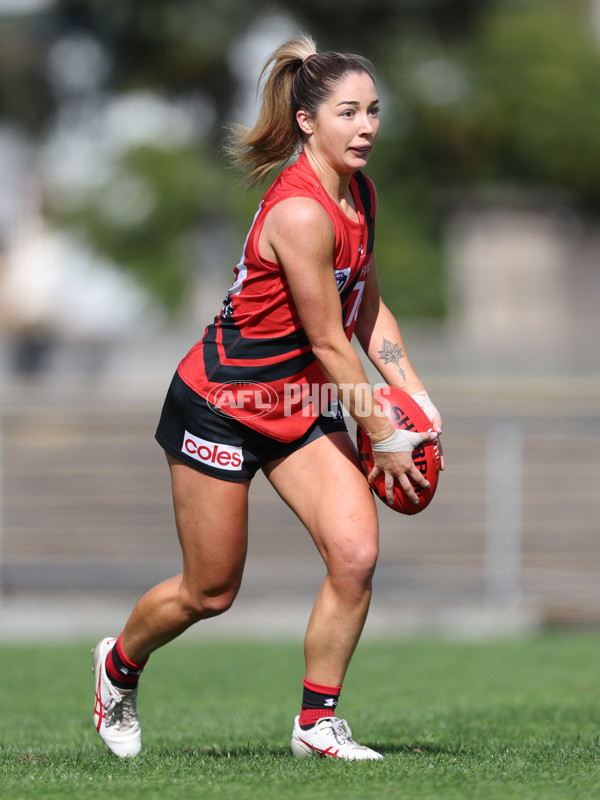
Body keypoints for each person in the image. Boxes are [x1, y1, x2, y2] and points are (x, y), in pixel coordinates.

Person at [92, 33, 443, 762]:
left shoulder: (361, 196)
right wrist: (382, 429)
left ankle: (316, 726)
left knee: (354, 554)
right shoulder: (302, 212)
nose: (367, 126)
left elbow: (367, 305)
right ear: (309, 121)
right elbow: (327, 340)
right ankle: (118, 667)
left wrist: (415, 395)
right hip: (220, 402)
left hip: (296, 405)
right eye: (349, 112)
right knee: (209, 592)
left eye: (374, 111)